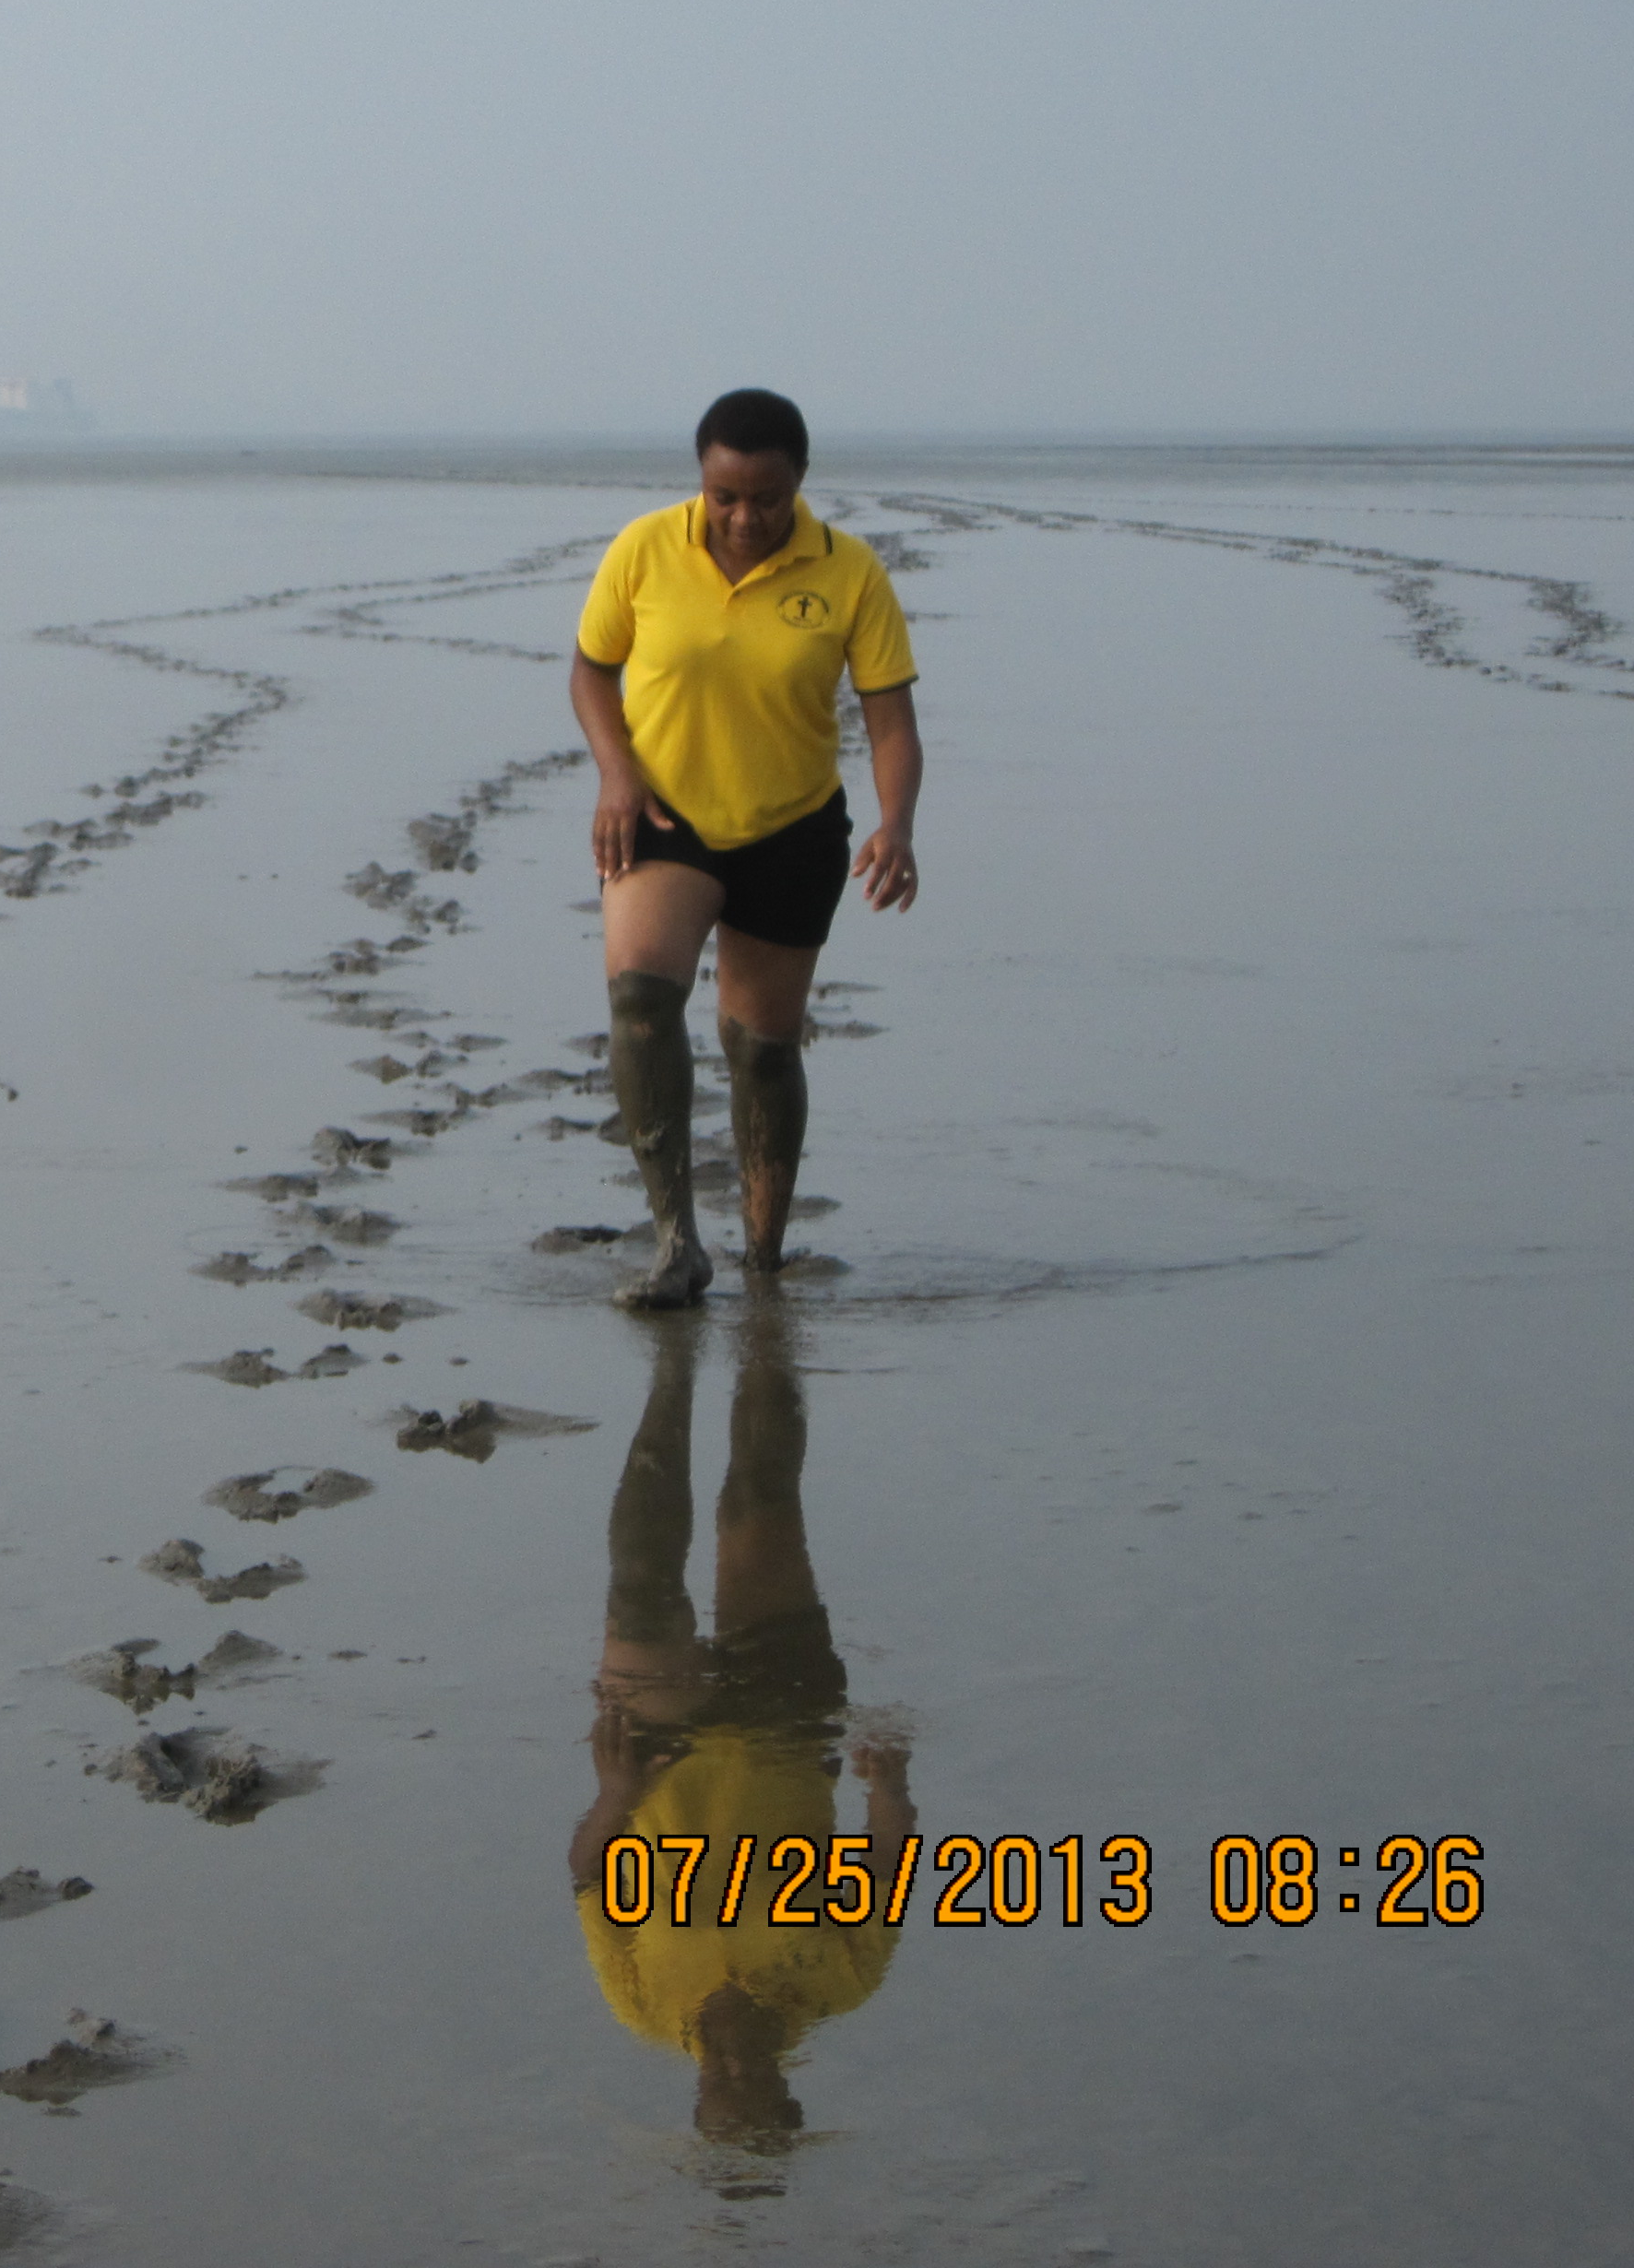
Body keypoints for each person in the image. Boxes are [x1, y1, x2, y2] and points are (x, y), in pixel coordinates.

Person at [567, 389, 921, 1309]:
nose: (743, 517)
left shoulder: (850, 573)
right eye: (723, 496)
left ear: (799, 479)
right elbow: (592, 672)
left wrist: (896, 824)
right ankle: (675, 1242)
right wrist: (615, 774)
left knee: (761, 1049)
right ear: (701, 479)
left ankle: (764, 1255)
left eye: (765, 497)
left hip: (791, 829)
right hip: (663, 819)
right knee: (641, 997)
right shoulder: (645, 547)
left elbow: (890, 722)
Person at [571, 1303, 915, 2152]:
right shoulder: (842, 1983)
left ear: (695, 2099)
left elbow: (587, 1876)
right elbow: (886, 1865)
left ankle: (672, 1367)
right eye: (750, 2086)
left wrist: (615, 1796)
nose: (729, 2067)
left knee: (642, 1571)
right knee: (759, 1497)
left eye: (715, 2089)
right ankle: (769, 1315)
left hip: (659, 1751)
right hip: (787, 1726)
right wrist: (888, 1790)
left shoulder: (641, 2005)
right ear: (787, 2091)